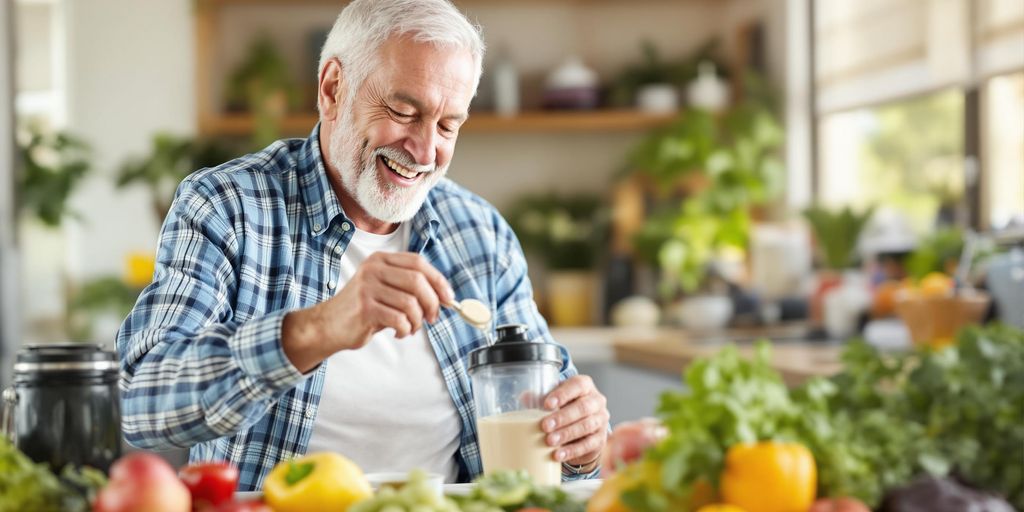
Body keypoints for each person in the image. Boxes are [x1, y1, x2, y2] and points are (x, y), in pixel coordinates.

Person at [117, 0, 609, 491]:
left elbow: (552, 431)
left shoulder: (480, 232)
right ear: (332, 88)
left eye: (447, 126)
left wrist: (581, 442)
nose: (423, 150)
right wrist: (321, 328)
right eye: (402, 111)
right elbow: (140, 401)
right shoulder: (228, 207)